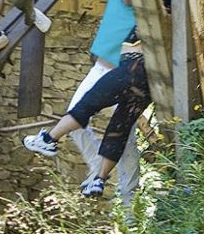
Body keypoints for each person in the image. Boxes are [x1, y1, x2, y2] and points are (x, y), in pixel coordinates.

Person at [57, 0, 147, 200]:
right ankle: (98, 167)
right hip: (100, 70)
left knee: (125, 138)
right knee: (73, 118)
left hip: (126, 76)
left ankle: (130, 201)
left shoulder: (147, 7)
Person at [23, 37, 151, 199]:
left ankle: (49, 139)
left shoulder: (131, 23)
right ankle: (99, 179)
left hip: (130, 68)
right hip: (148, 84)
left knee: (86, 106)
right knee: (120, 130)